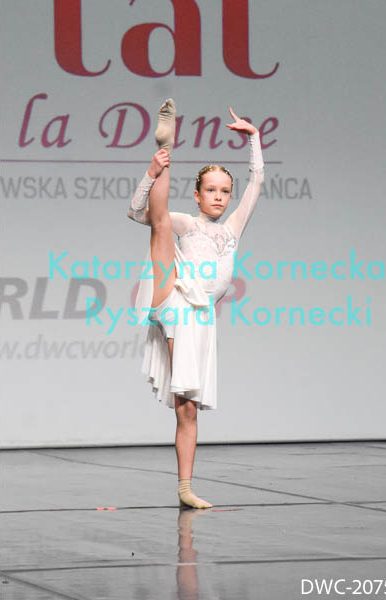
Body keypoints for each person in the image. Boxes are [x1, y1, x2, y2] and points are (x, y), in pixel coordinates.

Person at [128, 99, 264, 508]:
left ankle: (185, 488)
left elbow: (256, 183)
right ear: (198, 194)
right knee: (160, 227)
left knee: (187, 410)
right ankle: (165, 149)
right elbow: (137, 212)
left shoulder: (233, 229)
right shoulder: (189, 222)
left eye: (225, 191)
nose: (219, 197)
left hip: (200, 318)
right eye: (211, 190)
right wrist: (152, 172)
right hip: (173, 297)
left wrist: (254, 138)